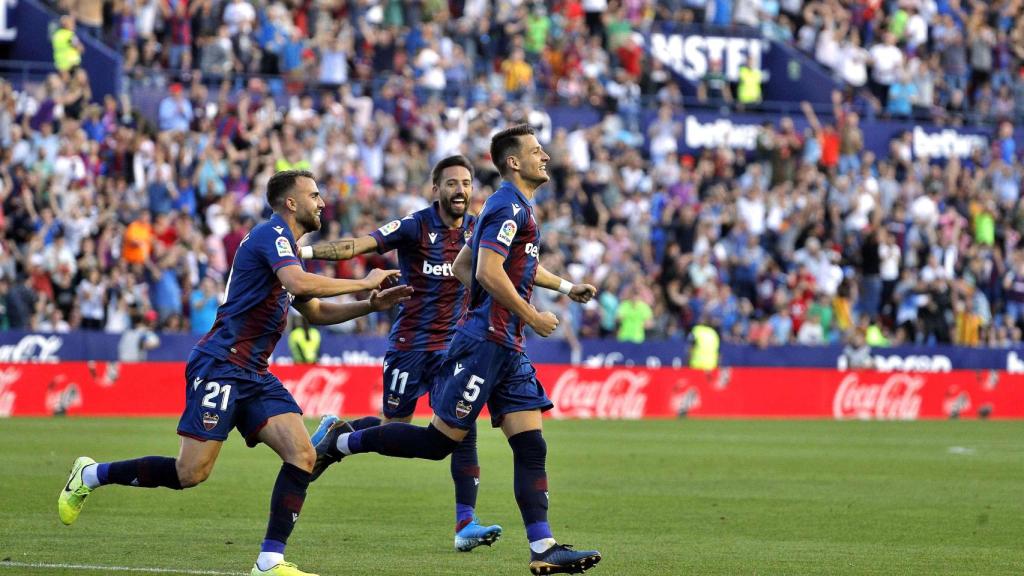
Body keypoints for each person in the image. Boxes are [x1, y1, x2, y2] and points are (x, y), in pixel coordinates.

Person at [57, 170, 413, 576]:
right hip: (221, 364)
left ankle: (269, 561)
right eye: (314, 195)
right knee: (190, 473)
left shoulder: (288, 250)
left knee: (302, 455)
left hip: (254, 372)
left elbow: (313, 312)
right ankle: (91, 473)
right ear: (291, 203)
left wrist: (371, 304)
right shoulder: (271, 236)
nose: (321, 202)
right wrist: (360, 280)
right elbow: (298, 282)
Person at [310, 125, 603, 575]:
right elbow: (485, 269)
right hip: (482, 343)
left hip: (504, 345)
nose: (545, 156)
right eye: (536, 151)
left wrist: (553, 291)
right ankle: (343, 442)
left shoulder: (507, 209)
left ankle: (542, 549)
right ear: (513, 162)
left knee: (531, 446)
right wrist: (526, 314)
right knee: (435, 443)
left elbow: (466, 264)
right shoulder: (505, 206)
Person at [298, 155, 502, 551]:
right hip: (410, 345)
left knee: (463, 432)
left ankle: (465, 525)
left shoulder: (478, 231)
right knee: (394, 426)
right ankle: (341, 432)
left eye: (465, 183)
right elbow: (358, 245)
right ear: (435, 189)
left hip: (454, 347)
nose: (460, 190)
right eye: (451, 183)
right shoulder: (415, 225)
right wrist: (301, 255)